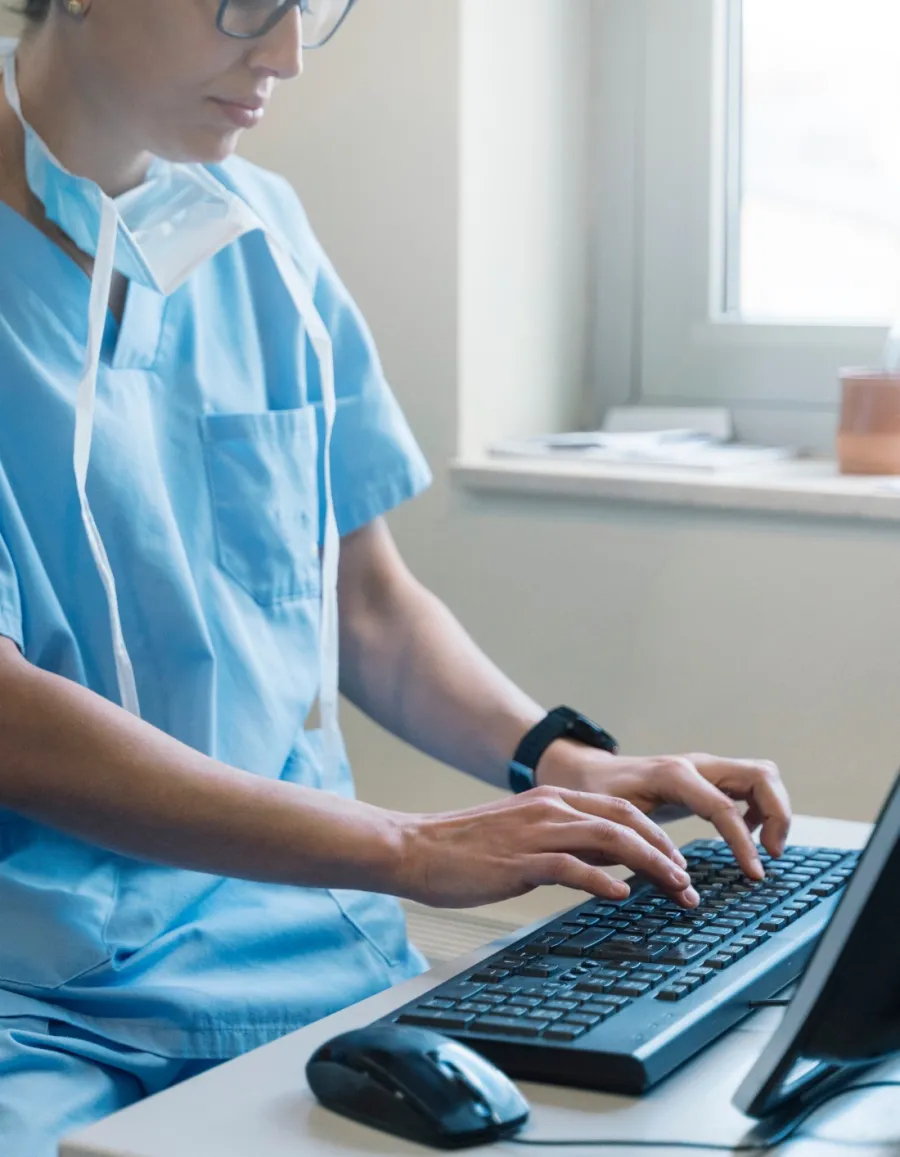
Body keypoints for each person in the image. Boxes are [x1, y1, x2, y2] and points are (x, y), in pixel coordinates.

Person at [0, 1, 792, 1152]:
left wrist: (569, 763)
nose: (281, 58)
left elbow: (360, 602)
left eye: (306, 9)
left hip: (317, 960)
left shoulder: (256, 230)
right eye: (243, 4)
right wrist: (405, 845)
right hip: (43, 1004)